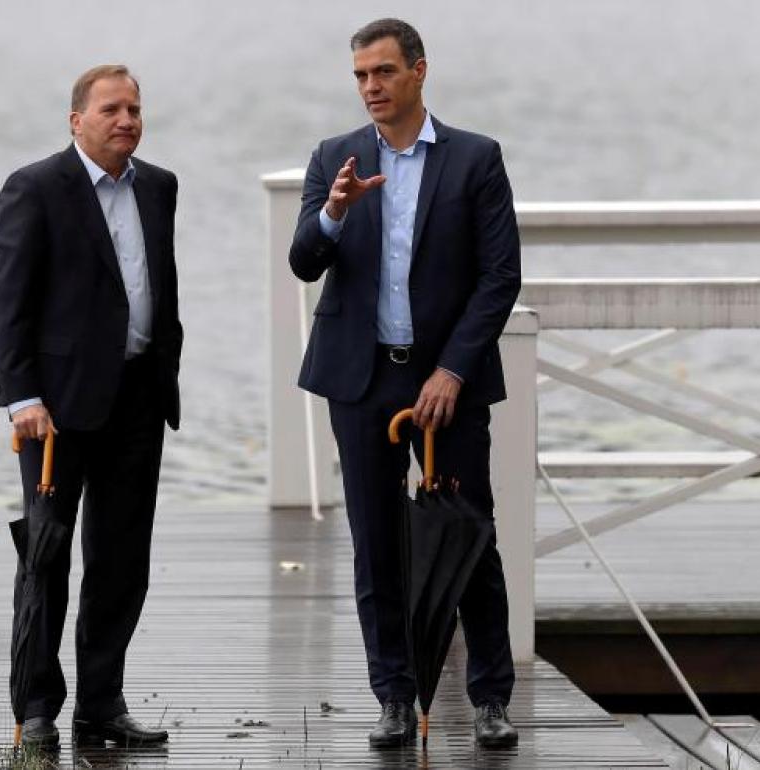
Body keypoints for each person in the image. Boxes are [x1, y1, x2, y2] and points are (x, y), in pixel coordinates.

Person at [289, 18, 522, 749]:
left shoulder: (475, 159)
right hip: (359, 382)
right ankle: (393, 695)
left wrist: (452, 369)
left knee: (469, 539)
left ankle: (490, 698)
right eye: (360, 75)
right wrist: (334, 210)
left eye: (384, 72)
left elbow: (499, 276)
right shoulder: (335, 158)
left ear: (419, 72)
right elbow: (302, 261)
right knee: (375, 542)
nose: (370, 88)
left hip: (446, 386)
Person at [0, 64, 181, 755]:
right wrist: (21, 398)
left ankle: (102, 704)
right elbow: (8, 302)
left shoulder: (158, 187)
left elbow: (159, 285)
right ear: (77, 120)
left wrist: (166, 374)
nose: (125, 119)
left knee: (123, 560)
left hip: (137, 397)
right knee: (45, 556)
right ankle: (36, 710)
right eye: (110, 109)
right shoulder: (36, 188)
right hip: (56, 408)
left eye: (134, 108)